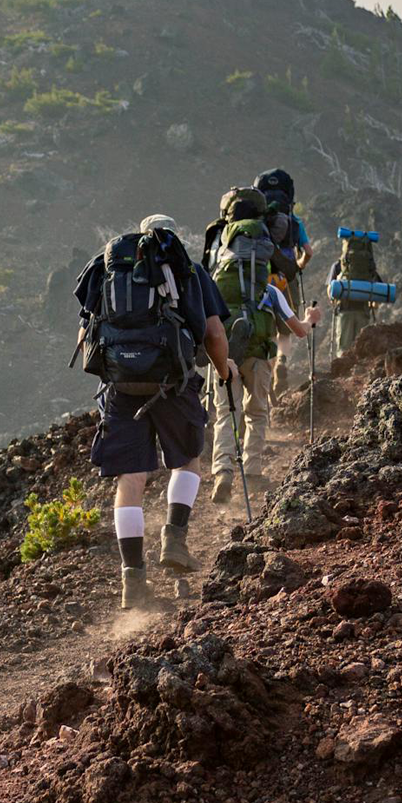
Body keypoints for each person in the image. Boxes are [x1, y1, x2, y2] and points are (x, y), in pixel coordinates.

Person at [76, 214, 234, 608]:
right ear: (172, 237)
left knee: (129, 481)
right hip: (173, 383)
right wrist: (222, 370)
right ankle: (174, 541)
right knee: (187, 461)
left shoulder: (106, 271)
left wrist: (118, 368)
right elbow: (214, 334)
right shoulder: (188, 271)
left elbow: (85, 336)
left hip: (121, 388)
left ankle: (133, 581)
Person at [207, 189, 321, 503]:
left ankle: (223, 471)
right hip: (259, 353)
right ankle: (253, 473)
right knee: (256, 414)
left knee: (223, 414)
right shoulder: (270, 290)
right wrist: (311, 318)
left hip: (224, 355)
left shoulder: (217, 284)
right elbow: (298, 330)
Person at [254, 168, 313, 395]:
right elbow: (308, 251)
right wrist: (297, 266)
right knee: (285, 330)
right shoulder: (294, 220)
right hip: (286, 279)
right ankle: (282, 363)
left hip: (261, 278)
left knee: (266, 331)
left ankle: (267, 373)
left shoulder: (259, 220)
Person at [327, 231, 383, 359]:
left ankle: (343, 376)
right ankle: (358, 375)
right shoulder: (369, 267)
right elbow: (377, 289)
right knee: (362, 349)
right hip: (363, 311)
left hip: (345, 310)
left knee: (343, 350)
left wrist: (333, 300)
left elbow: (330, 289)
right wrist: (374, 305)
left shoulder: (339, 266)